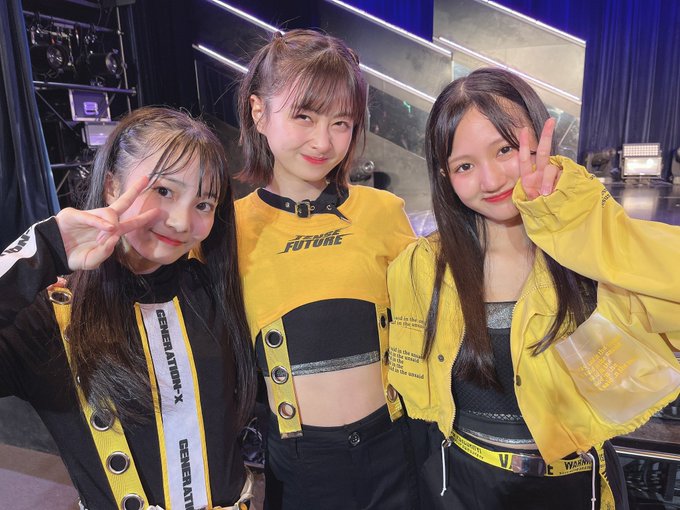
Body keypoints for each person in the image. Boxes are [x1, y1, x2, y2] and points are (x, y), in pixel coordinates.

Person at [387, 67, 680, 510]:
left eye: (505, 149)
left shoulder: (585, 259)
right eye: (465, 166)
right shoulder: (423, 266)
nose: (491, 180)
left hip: (573, 486)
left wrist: (570, 221)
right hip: (462, 485)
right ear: (445, 176)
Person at [0, 107, 256, 510]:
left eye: (204, 204)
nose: (180, 222)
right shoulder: (52, 318)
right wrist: (46, 248)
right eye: (164, 191)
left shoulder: (213, 293)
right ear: (111, 186)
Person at [235, 29, 419, 509]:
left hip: (395, 447)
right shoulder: (227, 231)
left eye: (342, 122)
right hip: (301, 464)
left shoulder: (384, 212)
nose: (323, 140)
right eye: (304, 115)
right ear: (259, 112)